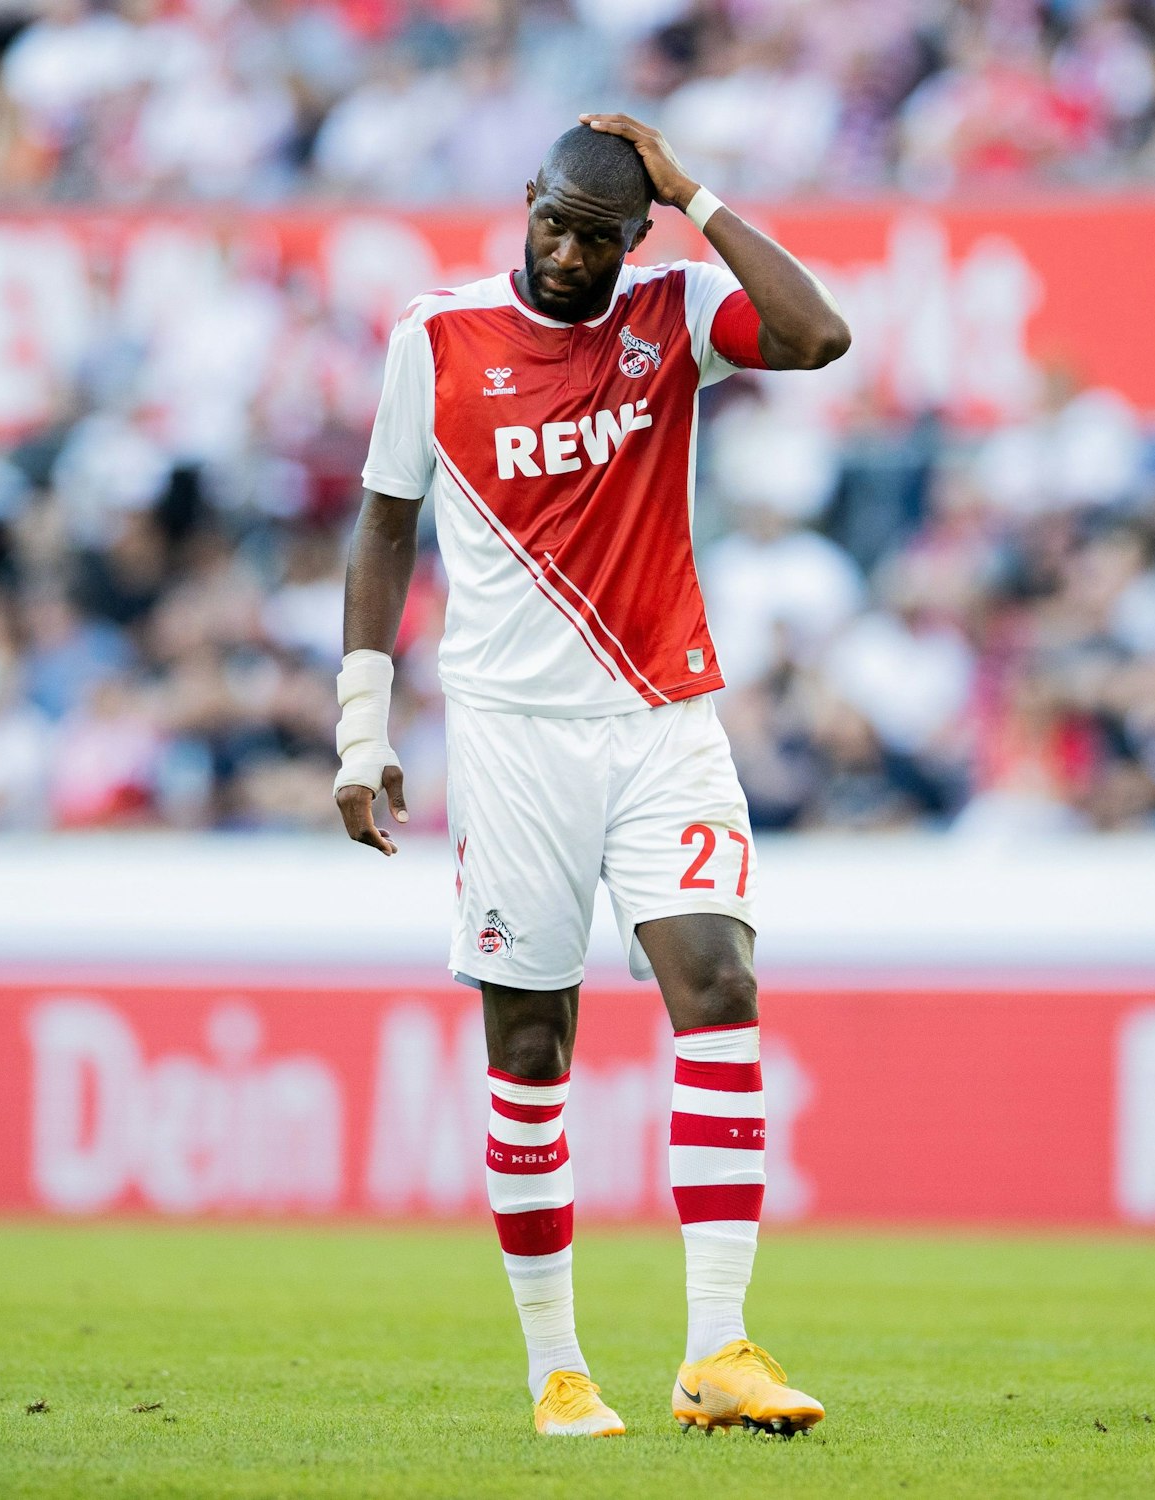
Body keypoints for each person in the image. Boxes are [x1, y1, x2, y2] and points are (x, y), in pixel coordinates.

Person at [334, 115, 850, 1439]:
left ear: (640, 236)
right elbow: (386, 518)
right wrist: (363, 722)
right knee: (530, 1042)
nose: (567, 253)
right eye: (552, 223)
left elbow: (816, 336)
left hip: (663, 715)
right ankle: (557, 1368)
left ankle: (718, 1350)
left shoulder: (673, 313)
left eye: (601, 235)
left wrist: (701, 196)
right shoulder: (436, 338)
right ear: (525, 203)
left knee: (720, 980)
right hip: (512, 738)